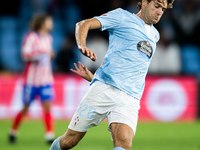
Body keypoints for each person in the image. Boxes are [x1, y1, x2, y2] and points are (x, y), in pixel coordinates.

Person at [50, 0, 174, 150]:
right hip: (103, 90)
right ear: (144, 3)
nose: (160, 12)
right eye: (157, 6)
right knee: (69, 141)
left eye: (163, 9)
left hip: (130, 98)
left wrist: (93, 76)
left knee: (124, 144)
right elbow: (83, 24)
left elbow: (123, 61)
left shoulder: (155, 35)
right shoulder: (122, 17)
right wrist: (82, 44)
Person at [9, 13, 55, 144]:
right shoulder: (31, 37)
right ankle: (13, 131)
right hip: (31, 81)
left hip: (46, 80)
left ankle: (49, 135)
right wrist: (41, 54)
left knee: (47, 106)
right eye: (49, 21)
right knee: (25, 107)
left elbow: (47, 57)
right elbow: (25, 55)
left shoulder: (48, 38)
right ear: (42, 23)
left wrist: (50, 55)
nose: (51, 24)